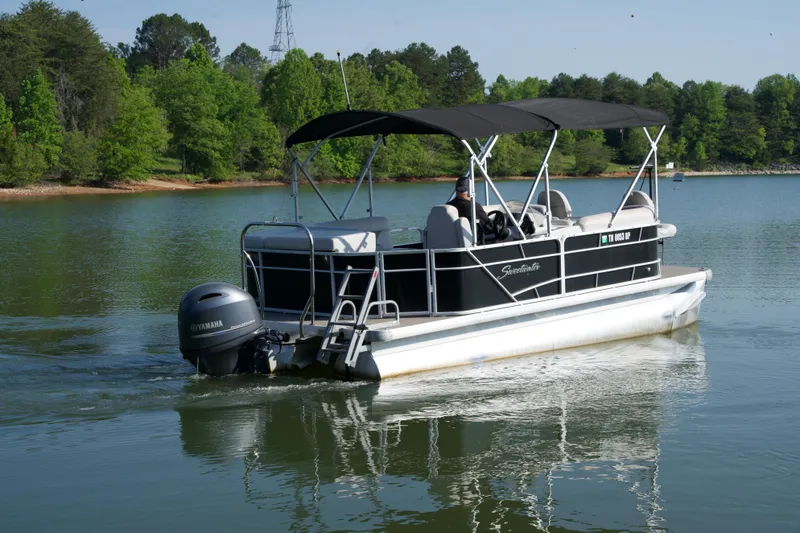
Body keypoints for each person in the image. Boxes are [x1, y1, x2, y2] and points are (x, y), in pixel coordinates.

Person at [446, 176, 509, 240]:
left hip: (452, 240)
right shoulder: (474, 206)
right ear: (470, 190)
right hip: (473, 242)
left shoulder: (448, 206)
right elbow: (489, 226)